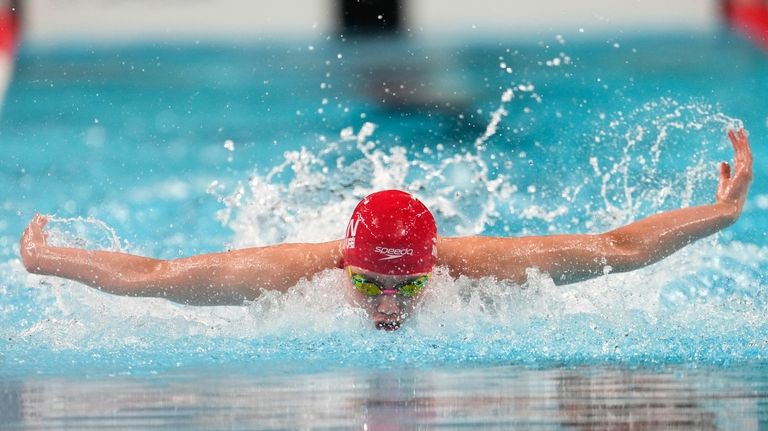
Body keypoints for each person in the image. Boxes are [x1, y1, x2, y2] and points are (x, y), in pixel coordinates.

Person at [20, 129, 753, 331]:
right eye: (370, 282)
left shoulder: (480, 268)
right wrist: (51, 262)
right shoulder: (290, 274)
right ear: (345, 262)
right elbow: (156, 276)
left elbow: (618, 249)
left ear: (435, 265)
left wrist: (719, 217)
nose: (390, 308)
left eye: (409, 284)